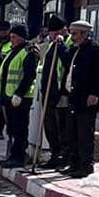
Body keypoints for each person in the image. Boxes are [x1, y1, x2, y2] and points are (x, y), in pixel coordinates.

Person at [60, 20, 99, 179]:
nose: (72, 37)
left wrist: (95, 93)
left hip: (87, 97)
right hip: (74, 95)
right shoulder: (75, 49)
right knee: (72, 132)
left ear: (84, 34)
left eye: (74, 33)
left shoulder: (96, 51)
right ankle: (74, 163)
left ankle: (85, 165)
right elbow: (68, 66)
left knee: (84, 133)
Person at [0, 24, 39, 168]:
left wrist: (19, 94)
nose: (11, 39)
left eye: (14, 37)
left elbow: (29, 75)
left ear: (22, 37)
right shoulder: (13, 50)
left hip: (20, 98)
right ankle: (13, 155)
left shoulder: (29, 52)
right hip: (9, 96)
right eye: (11, 37)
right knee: (12, 128)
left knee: (20, 128)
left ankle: (19, 157)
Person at [35, 15, 71, 169]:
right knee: (50, 126)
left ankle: (64, 156)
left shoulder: (67, 44)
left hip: (61, 93)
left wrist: (61, 46)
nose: (53, 36)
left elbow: (68, 62)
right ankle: (55, 154)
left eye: (56, 33)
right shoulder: (50, 45)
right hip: (48, 92)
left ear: (64, 30)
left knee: (60, 126)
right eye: (51, 33)